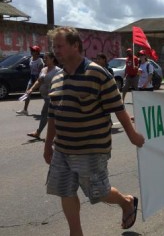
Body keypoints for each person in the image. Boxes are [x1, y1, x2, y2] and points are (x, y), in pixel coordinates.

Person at [44, 26, 145, 235]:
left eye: (60, 46)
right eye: (54, 47)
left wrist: (133, 136)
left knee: (99, 193)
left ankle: (126, 202)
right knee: (65, 190)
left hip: (91, 149)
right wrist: (47, 146)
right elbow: (52, 115)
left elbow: (118, 108)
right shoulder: (57, 78)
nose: (56, 50)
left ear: (75, 46)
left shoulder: (97, 73)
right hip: (62, 149)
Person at [26, 52, 61, 139]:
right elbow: (39, 81)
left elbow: (60, 84)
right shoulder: (43, 69)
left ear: (52, 59)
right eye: (44, 58)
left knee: (45, 114)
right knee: (51, 116)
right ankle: (58, 135)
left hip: (52, 97)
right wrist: (31, 89)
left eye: (46, 58)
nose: (44, 60)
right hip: (45, 96)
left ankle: (39, 133)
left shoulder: (58, 71)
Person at [16, 45, 44, 115]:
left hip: (38, 78)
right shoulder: (31, 59)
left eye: (33, 51)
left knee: (44, 94)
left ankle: (50, 108)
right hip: (32, 78)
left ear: (37, 52)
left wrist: (38, 80)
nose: (31, 52)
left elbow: (41, 71)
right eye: (31, 50)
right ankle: (25, 110)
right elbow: (31, 68)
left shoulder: (40, 61)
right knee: (27, 93)